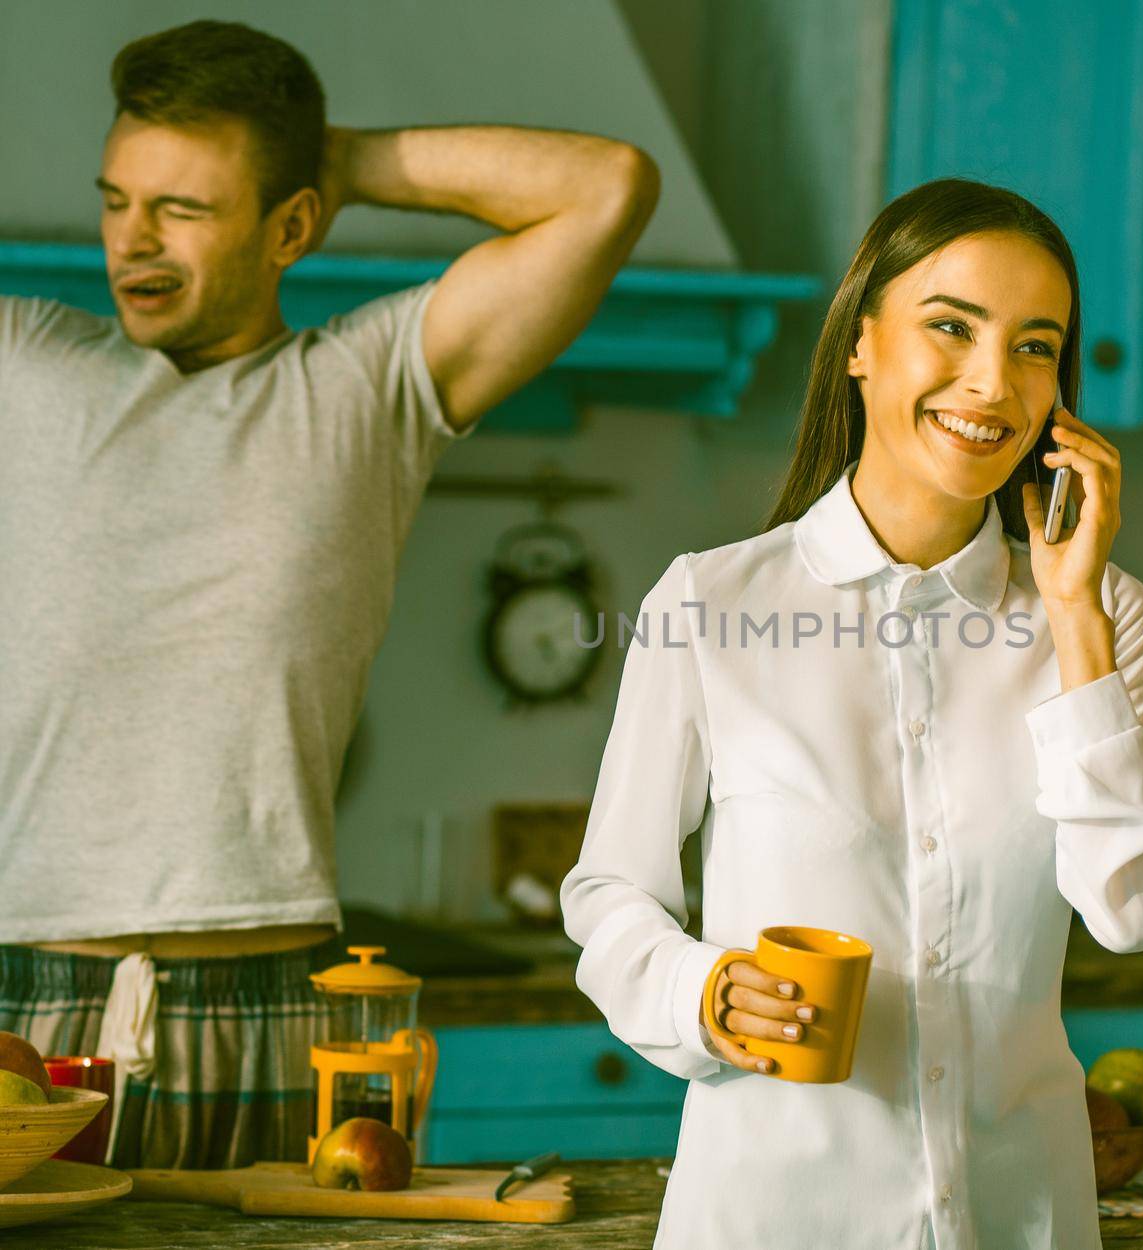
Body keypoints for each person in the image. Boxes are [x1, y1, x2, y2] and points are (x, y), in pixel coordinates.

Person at [0, 19, 659, 1168]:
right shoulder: (25, 365)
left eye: (184, 209)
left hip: (278, 1005)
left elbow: (606, 188)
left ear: (290, 225)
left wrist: (338, 156)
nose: (131, 243)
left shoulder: (368, 387)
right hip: (20, 1007)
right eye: (117, 201)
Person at [561, 177, 1143, 1249]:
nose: (990, 381)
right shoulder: (712, 602)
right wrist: (702, 990)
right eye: (951, 327)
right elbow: (607, 891)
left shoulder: (1102, 614)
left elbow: (1138, 913)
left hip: (1022, 1220)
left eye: (1033, 345)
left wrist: (1071, 616)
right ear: (862, 343)